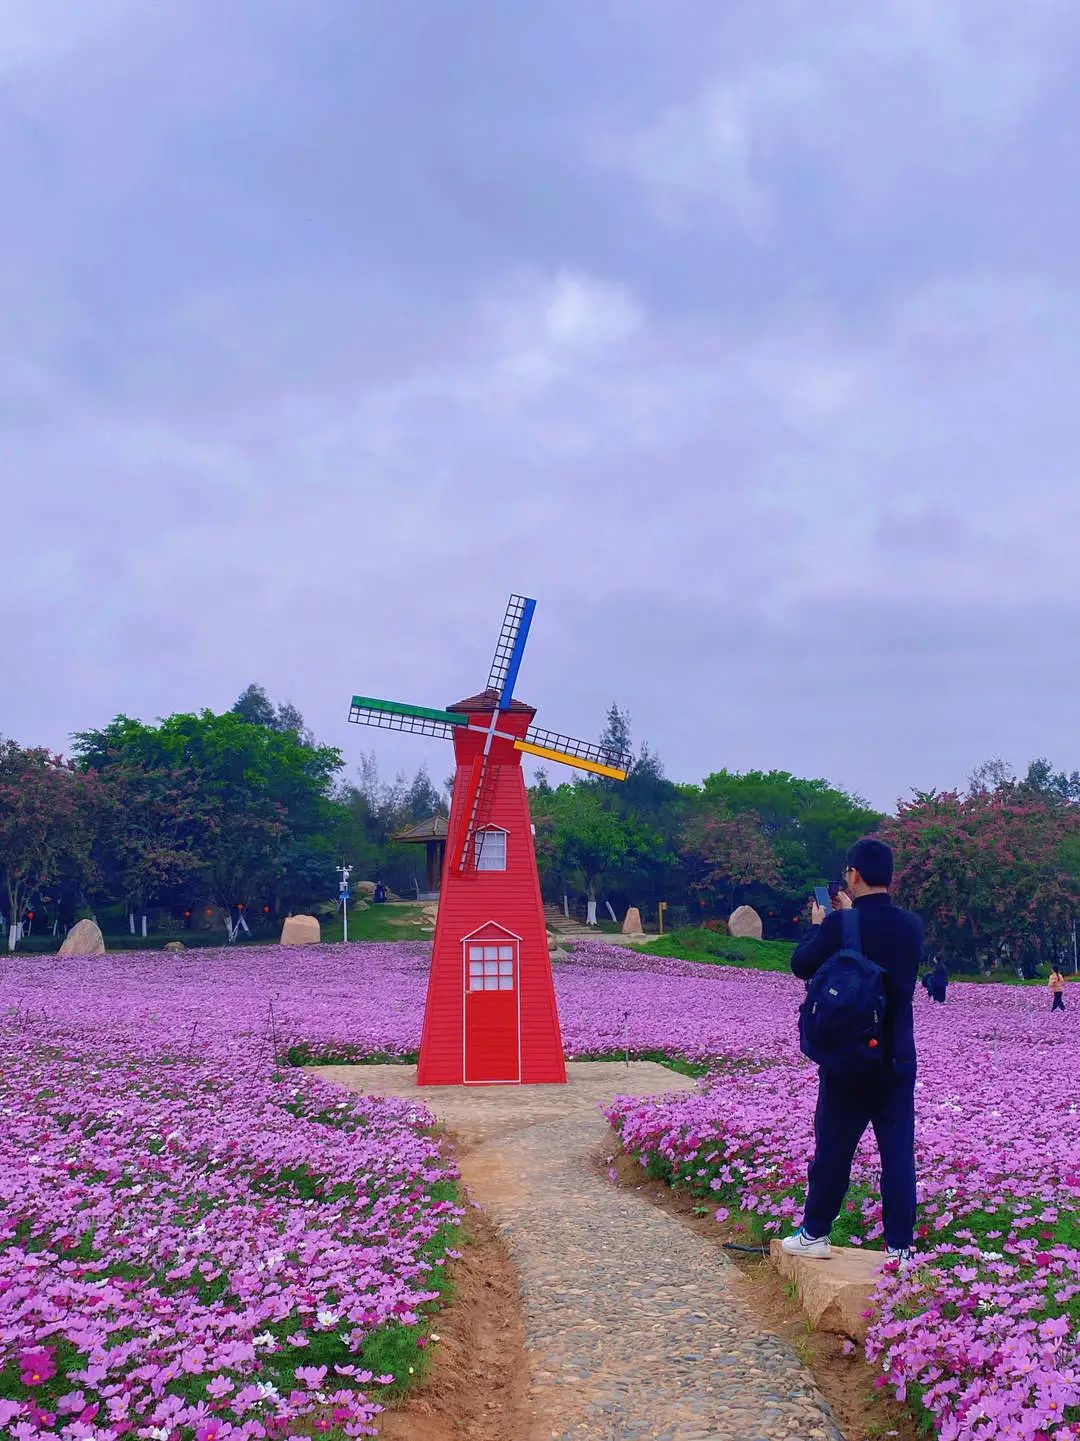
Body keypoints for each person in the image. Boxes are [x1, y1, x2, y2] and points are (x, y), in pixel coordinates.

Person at [781, 837, 923, 1265]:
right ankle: (899, 1248)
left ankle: (815, 1233)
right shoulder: (912, 925)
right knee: (897, 1152)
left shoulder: (840, 925)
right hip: (897, 1056)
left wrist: (820, 923)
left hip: (848, 1060)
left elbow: (801, 964)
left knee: (834, 1149)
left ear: (854, 875)